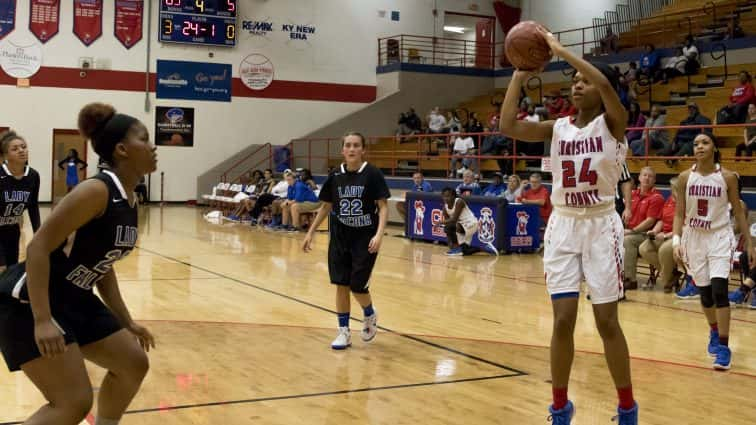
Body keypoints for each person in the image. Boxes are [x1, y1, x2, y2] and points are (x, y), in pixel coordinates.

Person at [499, 26, 637, 423]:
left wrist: (561, 50)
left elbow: (606, 87)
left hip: (599, 225)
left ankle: (627, 406)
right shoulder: (557, 128)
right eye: (574, 81)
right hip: (563, 225)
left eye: (585, 81)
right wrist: (518, 72)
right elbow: (508, 125)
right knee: (562, 319)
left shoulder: (614, 123)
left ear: (600, 87)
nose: (578, 85)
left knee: (606, 320)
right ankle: (560, 405)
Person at [0, 102, 156, 425]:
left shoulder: (130, 197)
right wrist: (42, 320)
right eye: (144, 139)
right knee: (73, 402)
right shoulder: (96, 191)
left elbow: (103, 264)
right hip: (29, 300)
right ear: (122, 150)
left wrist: (126, 321)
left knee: (133, 362)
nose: (153, 147)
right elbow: (38, 247)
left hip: (74, 299)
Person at [673, 132, 753, 370]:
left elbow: (738, 213)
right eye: (696, 143)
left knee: (720, 292)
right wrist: (676, 240)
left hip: (719, 236)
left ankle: (724, 347)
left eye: (704, 142)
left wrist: (749, 243)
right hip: (694, 237)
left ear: (714, 148)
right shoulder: (685, 177)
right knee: (705, 294)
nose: (699, 146)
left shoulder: (727, 177)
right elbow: (679, 213)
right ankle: (714, 331)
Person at [302, 132, 390, 350]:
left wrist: (379, 235)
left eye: (356, 145)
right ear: (342, 150)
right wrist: (310, 231)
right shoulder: (335, 176)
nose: (352, 149)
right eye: (348, 145)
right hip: (340, 236)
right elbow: (326, 206)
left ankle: (369, 313)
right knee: (341, 284)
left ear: (363, 150)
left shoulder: (372, 174)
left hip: (365, 237)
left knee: (357, 286)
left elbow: (383, 207)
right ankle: (344, 332)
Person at [0, 131, 41, 270]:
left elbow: (33, 206)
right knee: (2, 268)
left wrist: (38, 233)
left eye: (23, 147)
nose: (21, 150)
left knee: (12, 269)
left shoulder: (33, 176)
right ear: (5, 155)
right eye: (15, 148)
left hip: (12, 229)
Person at [623, 167, 664, 291]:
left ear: (654, 180)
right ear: (639, 178)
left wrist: (631, 231)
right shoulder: (632, 195)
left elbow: (650, 221)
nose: (646, 178)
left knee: (628, 240)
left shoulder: (657, 197)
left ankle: (630, 280)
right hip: (629, 231)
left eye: (650, 176)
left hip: (646, 234)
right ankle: (611, 277)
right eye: (644, 175)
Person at [638, 177, 681, 292]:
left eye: (674, 189)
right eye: (672, 189)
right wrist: (655, 231)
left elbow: (684, 227)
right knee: (644, 248)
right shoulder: (670, 200)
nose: (672, 192)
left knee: (664, 250)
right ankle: (670, 276)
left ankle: (666, 281)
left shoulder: (686, 203)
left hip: (678, 237)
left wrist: (667, 236)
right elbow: (661, 220)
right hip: (664, 234)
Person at [441, 187, 479, 256]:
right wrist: (451, 245)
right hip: (460, 226)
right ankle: (483, 248)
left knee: (449, 226)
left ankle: (457, 249)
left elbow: (454, 220)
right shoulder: (445, 208)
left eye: (448, 196)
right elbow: (449, 224)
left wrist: (441, 222)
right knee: (464, 251)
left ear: (453, 196)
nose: (445, 198)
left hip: (471, 224)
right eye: (444, 196)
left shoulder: (459, 202)